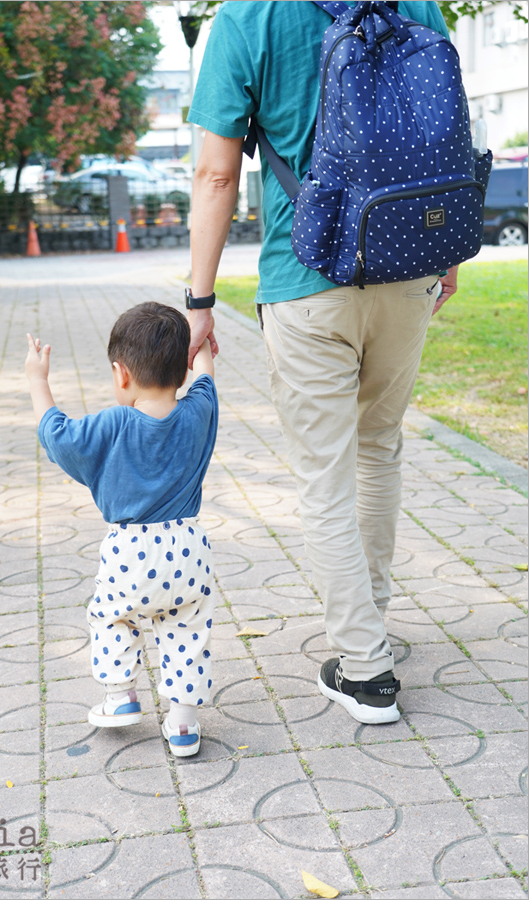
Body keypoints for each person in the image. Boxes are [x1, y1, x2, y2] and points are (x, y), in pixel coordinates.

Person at [185, 1, 458, 725]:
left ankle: (365, 669)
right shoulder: (414, 2)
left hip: (306, 279)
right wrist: (445, 248)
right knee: (380, 450)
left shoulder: (248, 17)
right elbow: (448, 127)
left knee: (326, 476)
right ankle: (373, 627)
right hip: (405, 266)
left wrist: (199, 298)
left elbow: (215, 176)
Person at [25, 302, 218, 756]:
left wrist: (38, 379)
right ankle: (184, 724)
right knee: (188, 630)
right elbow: (206, 377)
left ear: (121, 373)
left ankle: (120, 698)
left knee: (111, 617)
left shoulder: (111, 426)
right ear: (182, 370)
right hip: (189, 550)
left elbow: (56, 434)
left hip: (129, 550)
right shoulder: (199, 412)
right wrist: (202, 343)